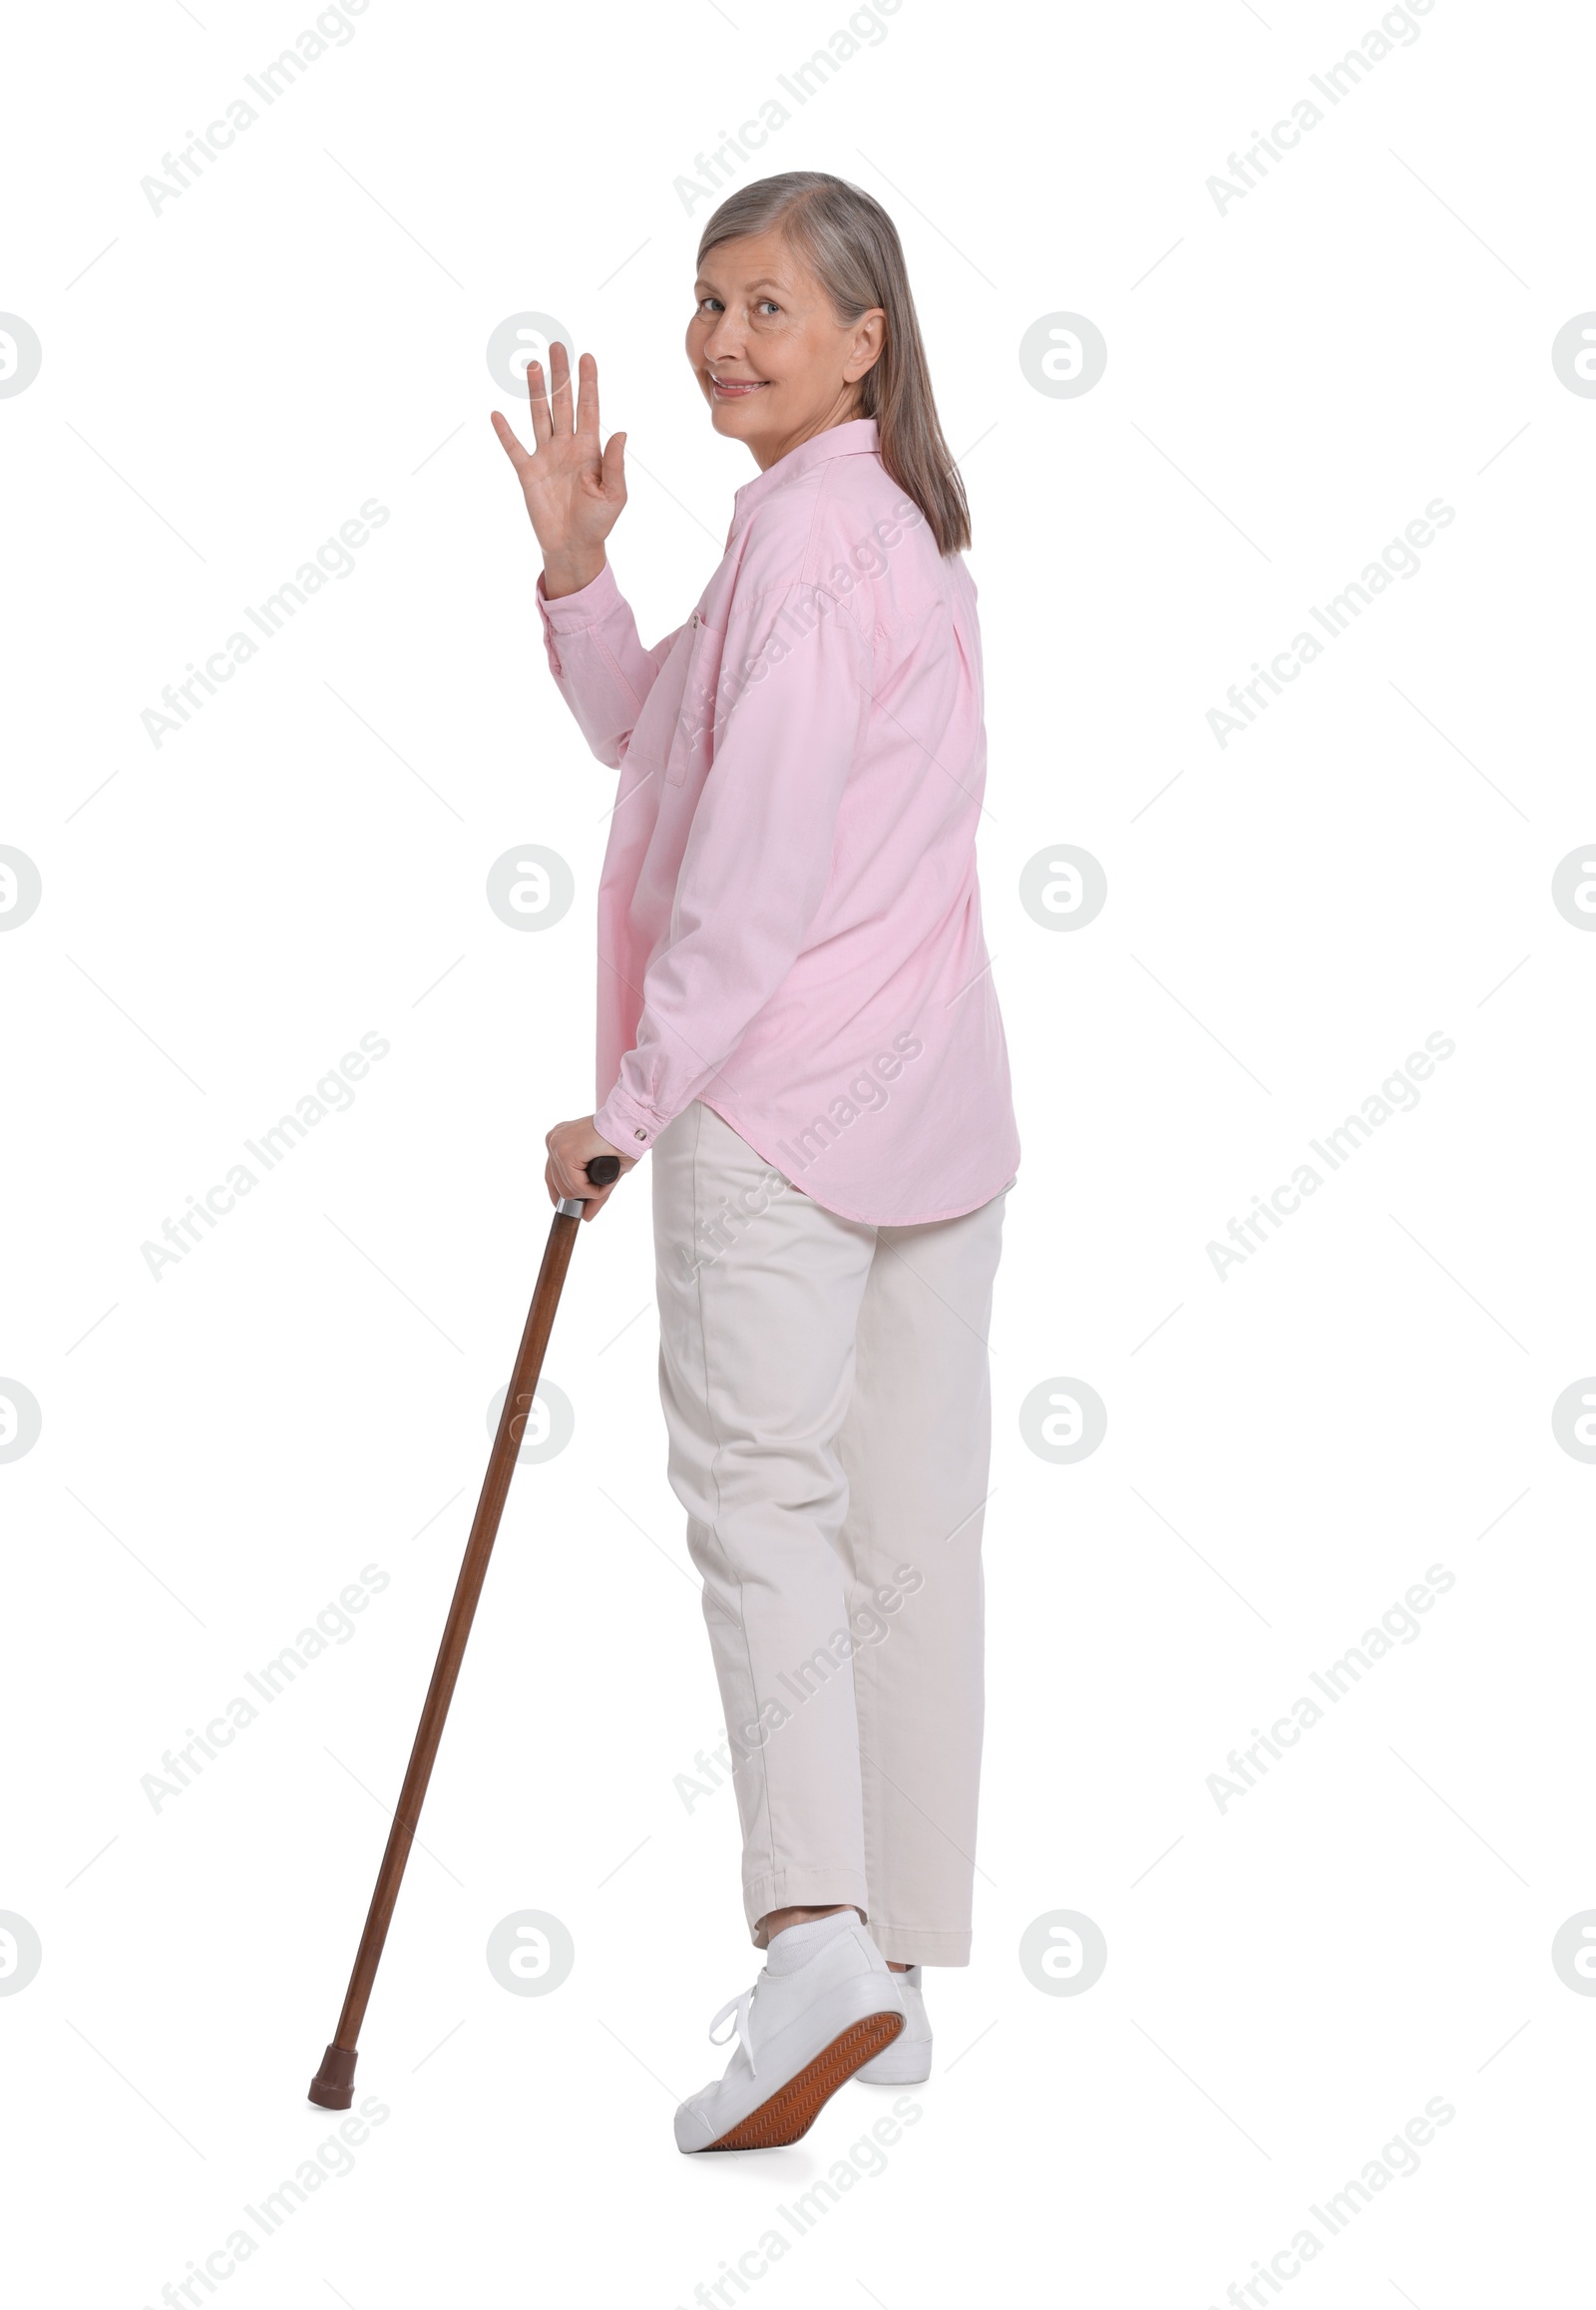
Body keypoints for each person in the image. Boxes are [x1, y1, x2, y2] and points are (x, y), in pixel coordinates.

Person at [492, 170, 1019, 2155]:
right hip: (931, 1117)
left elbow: (748, 870)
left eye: (769, 307)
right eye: (706, 302)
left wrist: (629, 1106)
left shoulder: (812, 551)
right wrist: (573, 569)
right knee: (897, 1528)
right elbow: (664, 739)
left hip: (776, 1113)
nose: (721, 341)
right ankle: (882, 1964)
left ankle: (811, 1937)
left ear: (866, 334)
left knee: (759, 1512)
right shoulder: (867, 535)